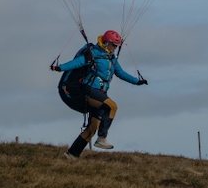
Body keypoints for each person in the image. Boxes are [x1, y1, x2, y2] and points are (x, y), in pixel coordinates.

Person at [51, 30, 146, 158]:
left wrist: (137, 81)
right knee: (112, 106)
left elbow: (120, 73)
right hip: (90, 89)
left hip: (101, 92)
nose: (115, 48)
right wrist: (60, 67)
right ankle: (102, 138)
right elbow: (77, 62)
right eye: (113, 45)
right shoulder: (94, 53)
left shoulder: (112, 58)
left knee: (92, 127)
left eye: (116, 46)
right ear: (106, 43)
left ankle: (71, 155)